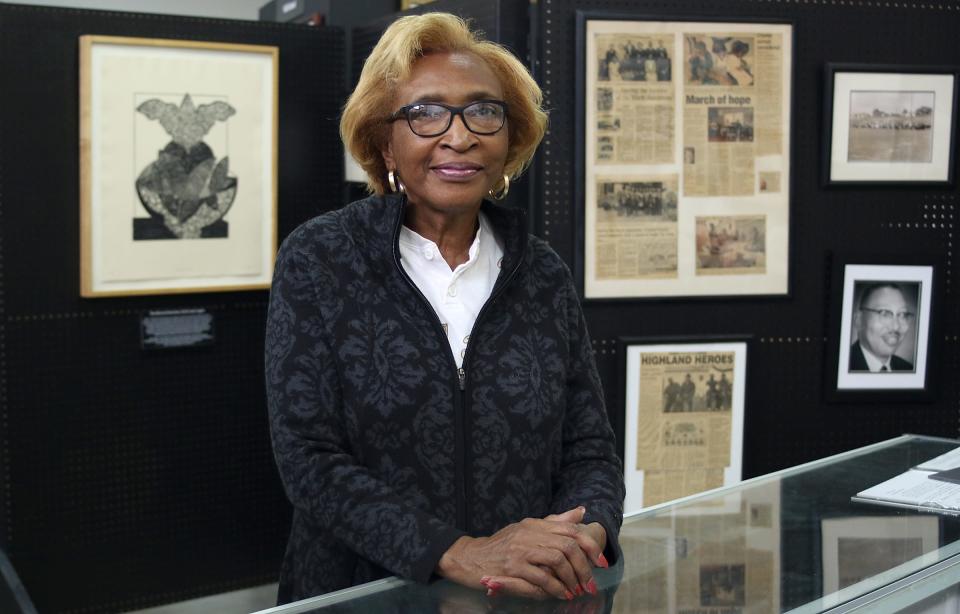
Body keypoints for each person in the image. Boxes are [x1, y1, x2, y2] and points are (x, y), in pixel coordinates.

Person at [265, 13, 624, 605]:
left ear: (510, 140)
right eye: (425, 113)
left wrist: (580, 536)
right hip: (363, 594)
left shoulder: (543, 275)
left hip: (520, 598)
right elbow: (309, 461)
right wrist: (460, 552)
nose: (459, 136)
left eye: (484, 111)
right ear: (384, 142)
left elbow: (589, 448)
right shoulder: (320, 259)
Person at [849, 283, 915, 372]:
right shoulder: (842, 365)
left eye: (902, 315)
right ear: (859, 320)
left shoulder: (908, 369)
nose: (895, 327)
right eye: (884, 314)